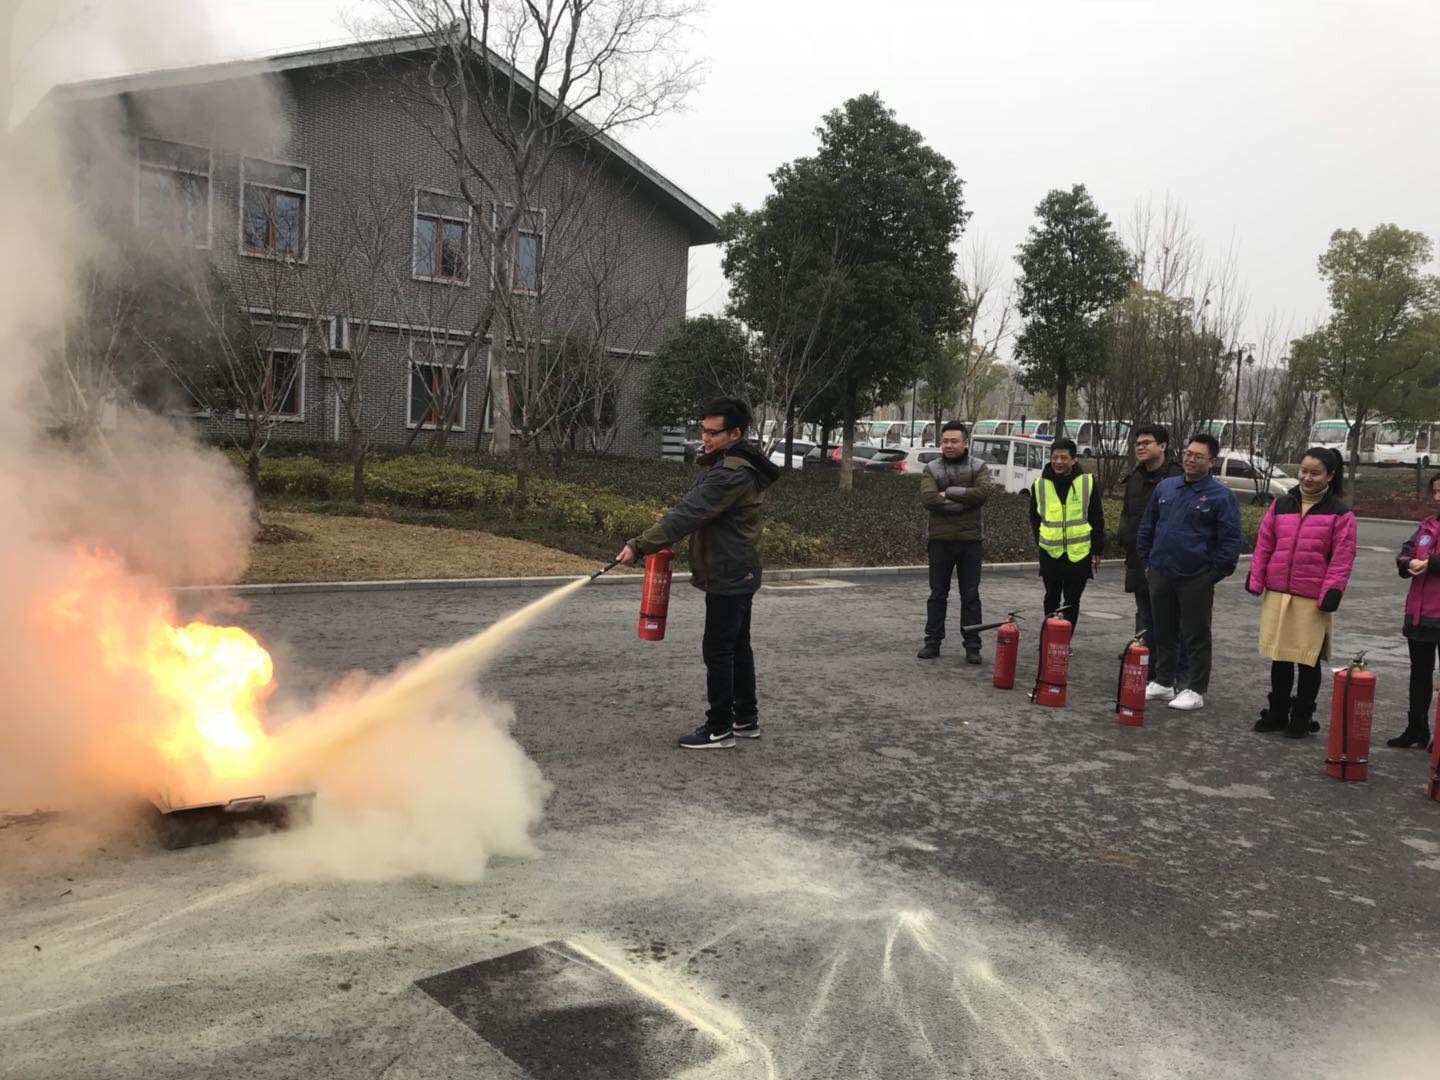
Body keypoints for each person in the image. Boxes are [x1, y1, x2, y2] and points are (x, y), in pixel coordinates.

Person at [617, 398, 780, 749]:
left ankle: (719, 727)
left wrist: (638, 545)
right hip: (739, 570)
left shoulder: (731, 473)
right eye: (701, 430)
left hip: (729, 573)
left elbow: (686, 514)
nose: (703, 438)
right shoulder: (732, 463)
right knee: (737, 645)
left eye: (711, 433)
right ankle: (745, 719)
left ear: (734, 432)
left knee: (719, 650)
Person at [1245, 448, 1356, 739]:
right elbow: (1265, 543)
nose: (1307, 477)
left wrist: (1333, 590)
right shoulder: (1282, 504)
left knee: (1308, 660)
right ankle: (1278, 712)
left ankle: (1302, 716)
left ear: (1330, 476)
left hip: (1312, 597)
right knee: (1280, 657)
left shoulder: (1340, 513)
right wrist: (1256, 577)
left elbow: (1342, 557)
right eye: (1304, 471)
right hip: (1279, 592)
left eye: (1315, 472)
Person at [1136, 432, 1242, 712]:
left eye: (1198, 456)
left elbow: (1230, 542)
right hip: (1161, 572)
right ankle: (1163, 680)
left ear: (1211, 461)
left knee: (1195, 634)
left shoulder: (1222, 496)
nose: (1190, 459)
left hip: (1196, 577)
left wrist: (1211, 575)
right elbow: (1148, 526)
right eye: (1188, 453)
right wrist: (1148, 561)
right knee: (1163, 630)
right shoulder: (1167, 488)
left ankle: (1195, 688)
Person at [918, 420, 996, 663]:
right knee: (937, 594)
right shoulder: (930, 468)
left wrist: (948, 492)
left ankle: (972, 645)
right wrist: (965, 499)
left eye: (954, 441)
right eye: (945, 441)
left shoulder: (979, 466)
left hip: (970, 541)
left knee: (970, 595)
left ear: (965, 443)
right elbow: (929, 499)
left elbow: (982, 494)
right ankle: (932, 642)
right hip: (940, 540)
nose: (949, 445)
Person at [1116, 425, 1184, 659]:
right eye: (1137, 444)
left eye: (1146, 443)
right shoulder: (1135, 477)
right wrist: (1124, 537)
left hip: (1167, 562)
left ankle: (1165, 669)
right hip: (1138, 558)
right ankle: (1140, 659)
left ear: (1163, 446)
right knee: (1143, 612)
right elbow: (1128, 513)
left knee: (1167, 617)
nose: (1140, 447)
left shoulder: (1178, 478)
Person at [1026, 438, 1105, 629]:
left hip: (1079, 553)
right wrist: (1040, 540)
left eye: (1064, 457)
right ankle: (1048, 637)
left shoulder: (1087, 483)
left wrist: (1097, 549)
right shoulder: (1039, 484)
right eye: (1055, 457)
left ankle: (1063, 641)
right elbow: (1034, 517)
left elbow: (1096, 517)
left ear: (1073, 460)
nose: (1059, 462)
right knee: (1051, 598)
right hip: (1050, 552)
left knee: (1072, 601)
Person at [1387, 471, 1440, 749]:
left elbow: (1431, 560)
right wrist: (1407, 563)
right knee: (1420, 674)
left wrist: (1430, 563)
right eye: (1438, 491)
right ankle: (1417, 728)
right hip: (1420, 612)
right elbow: (1406, 550)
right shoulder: (1427, 525)